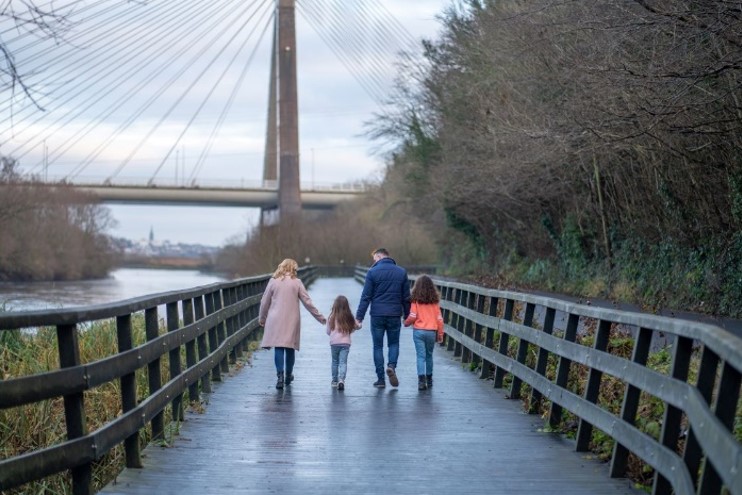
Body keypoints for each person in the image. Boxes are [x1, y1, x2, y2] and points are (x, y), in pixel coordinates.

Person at [259, 258, 326, 389]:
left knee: (278, 346)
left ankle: (280, 376)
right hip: (292, 319)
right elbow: (308, 302)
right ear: (293, 268)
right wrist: (320, 318)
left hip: (275, 319)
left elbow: (264, 302)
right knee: (289, 348)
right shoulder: (297, 283)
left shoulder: (273, 282)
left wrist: (262, 318)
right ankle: (288, 376)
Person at [355, 247, 411, 388]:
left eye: (374, 259)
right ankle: (391, 366)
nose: (373, 263)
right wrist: (407, 315)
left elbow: (366, 297)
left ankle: (380, 380)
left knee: (377, 346)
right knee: (394, 344)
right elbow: (406, 298)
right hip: (394, 314)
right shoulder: (401, 272)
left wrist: (359, 318)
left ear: (379, 256)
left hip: (377, 315)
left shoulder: (372, 272)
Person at [403, 275, 444, 390]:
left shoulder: (415, 301)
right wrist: (440, 334)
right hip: (431, 332)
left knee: (420, 356)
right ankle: (429, 379)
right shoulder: (435, 302)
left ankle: (421, 381)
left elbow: (412, 316)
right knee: (429, 355)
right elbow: (439, 319)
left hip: (419, 332)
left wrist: (406, 323)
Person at [326, 295, 360, 390]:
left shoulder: (331, 317)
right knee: (343, 362)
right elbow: (356, 326)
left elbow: (328, 332)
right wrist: (360, 325)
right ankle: (341, 380)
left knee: (335, 362)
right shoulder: (349, 317)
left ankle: (334, 380)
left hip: (334, 343)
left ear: (335, 306)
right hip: (345, 344)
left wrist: (334, 334)